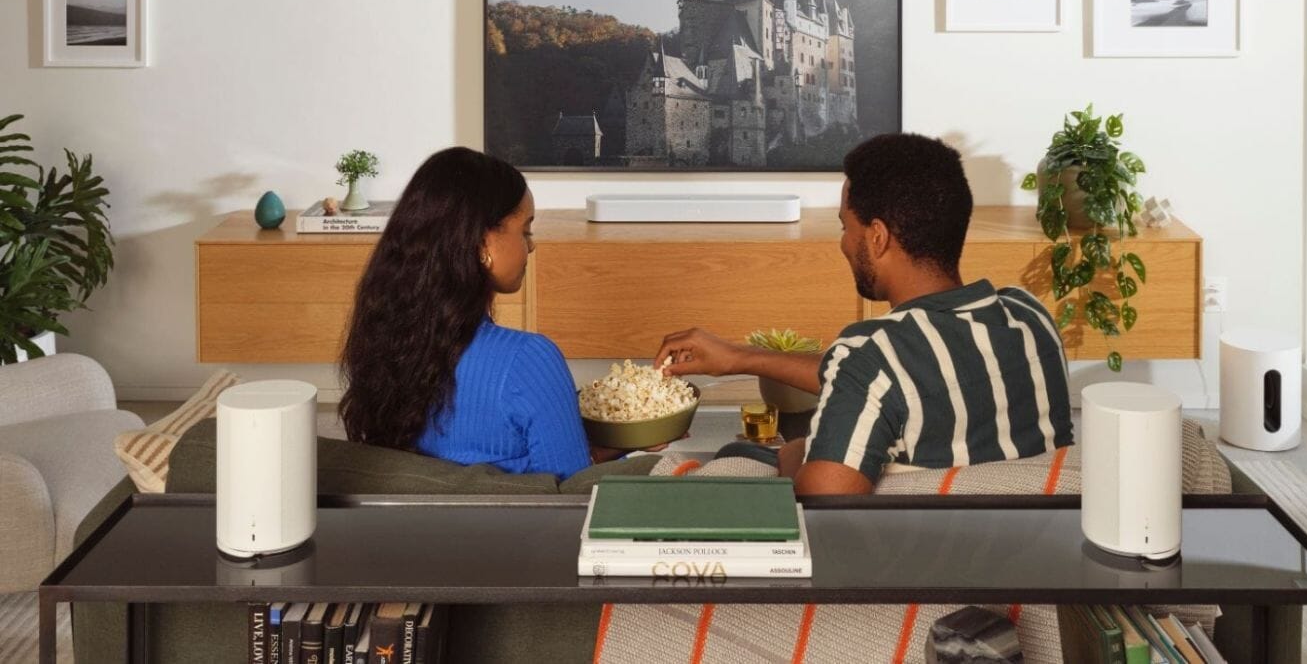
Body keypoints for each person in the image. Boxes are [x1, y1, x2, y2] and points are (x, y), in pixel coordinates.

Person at [656, 133, 1074, 496]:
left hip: (905, 551)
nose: (843, 243)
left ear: (877, 237)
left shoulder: (873, 351)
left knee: (739, 451)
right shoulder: (1029, 316)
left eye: (845, 227)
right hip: (1021, 543)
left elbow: (824, 497)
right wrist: (741, 358)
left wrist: (794, 452)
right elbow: (887, 378)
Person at [338, 146, 607, 479]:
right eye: (525, 231)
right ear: (482, 242)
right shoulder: (529, 360)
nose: (531, 245)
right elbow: (574, 491)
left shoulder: (382, 343)